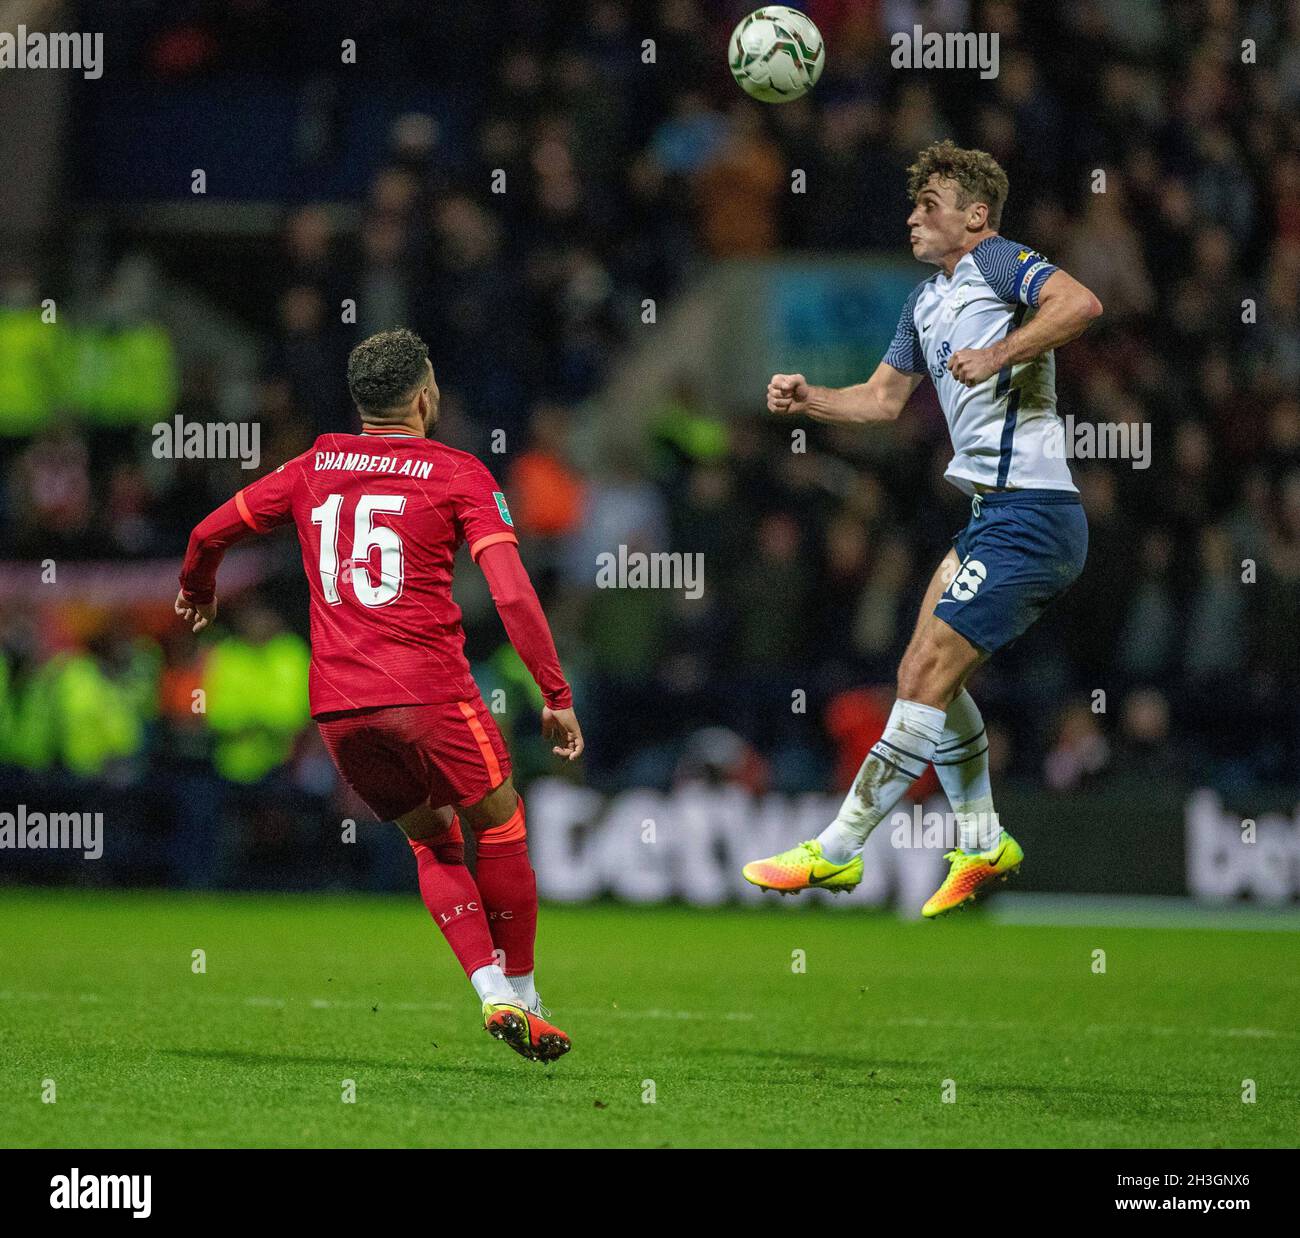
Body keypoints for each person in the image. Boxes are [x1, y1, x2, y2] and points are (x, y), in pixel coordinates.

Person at [176, 328, 583, 1060]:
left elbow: (209, 531)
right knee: (500, 825)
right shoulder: (459, 473)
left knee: (432, 842)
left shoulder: (311, 466)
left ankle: (489, 993)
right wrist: (554, 691)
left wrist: (197, 590)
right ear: (426, 397)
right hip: (430, 696)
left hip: (339, 711)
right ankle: (523, 993)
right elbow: (514, 594)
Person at [743, 140, 1102, 917]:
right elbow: (879, 401)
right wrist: (809, 400)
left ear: (975, 217)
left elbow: (1080, 304)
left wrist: (1002, 350)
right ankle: (980, 841)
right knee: (926, 674)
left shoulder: (1001, 262)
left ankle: (836, 850)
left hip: (1034, 515)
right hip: (990, 516)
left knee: (924, 678)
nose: (913, 217)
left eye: (929, 205)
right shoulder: (923, 301)